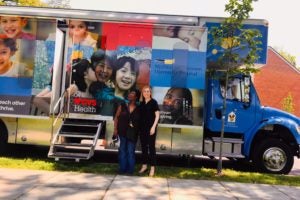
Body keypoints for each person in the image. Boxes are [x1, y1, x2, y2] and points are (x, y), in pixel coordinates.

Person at [113, 89, 141, 174]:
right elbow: (116, 117)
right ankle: (122, 169)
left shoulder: (139, 108)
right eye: (129, 93)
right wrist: (115, 130)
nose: (130, 95)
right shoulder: (122, 105)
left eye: (132, 93)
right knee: (122, 150)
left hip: (132, 133)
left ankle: (130, 170)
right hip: (122, 132)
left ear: (136, 97)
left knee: (130, 151)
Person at [139, 85, 160, 177]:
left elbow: (157, 116)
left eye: (148, 91)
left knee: (151, 148)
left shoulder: (153, 102)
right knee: (143, 148)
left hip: (151, 128)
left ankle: (152, 168)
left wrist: (153, 127)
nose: (146, 93)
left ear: (150, 93)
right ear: (142, 93)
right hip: (142, 129)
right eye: (145, 91)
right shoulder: (142, 103)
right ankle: (144, 166)